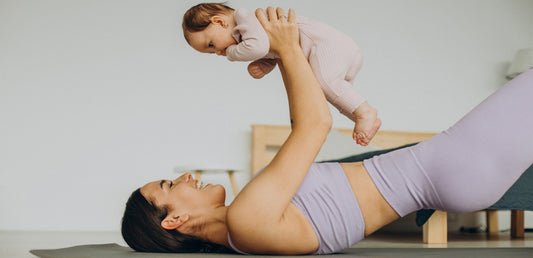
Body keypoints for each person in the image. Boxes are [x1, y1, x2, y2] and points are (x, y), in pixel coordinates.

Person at [122, 7, 533, 255]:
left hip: (448, 168)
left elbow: (302, 124)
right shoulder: (246, 220)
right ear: (173, 219)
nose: (183, 177)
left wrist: (288, 55)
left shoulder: (246, 228)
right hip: (447, 165)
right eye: (168, 184)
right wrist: (284, 49)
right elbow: (316, 124)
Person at [181, 3, 381, 146]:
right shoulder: (249, 32)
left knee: (325, 83)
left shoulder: (243, 17)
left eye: (211, 45)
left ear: (219, 22)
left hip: (327, 44)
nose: (217, 52)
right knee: (328, 92)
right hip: (336, 50)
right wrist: (264, 65)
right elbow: (274, 50)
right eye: (211, 53)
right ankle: (361, 118)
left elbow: (259, 46)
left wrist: (232, 55)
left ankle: (365, 112)